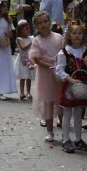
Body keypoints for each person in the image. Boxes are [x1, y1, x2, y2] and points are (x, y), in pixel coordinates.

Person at [55, 20, 87, 154]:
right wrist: (71, 80)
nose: (77, 36)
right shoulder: (64, 52)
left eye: (80, 33)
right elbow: (59, 70)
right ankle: (66, 139)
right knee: (67, 112)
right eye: (74, 33)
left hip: (82, 86)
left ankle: (78, 139)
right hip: (70, 86)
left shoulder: (86, 51)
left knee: (78, 113)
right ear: (69, 36)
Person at [28, 11, 64, 142]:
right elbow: (36, 58)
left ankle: (64, 127)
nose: (43, 25)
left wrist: (60, 65)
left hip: (59, 72)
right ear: (36, 26)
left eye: (45, 21)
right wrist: (49, 66)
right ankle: (50, 131)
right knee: (48, 102)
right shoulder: (37, 41)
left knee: (61, 101)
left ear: (50, 22)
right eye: (40, 23)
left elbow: (64, 52)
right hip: (45, 74)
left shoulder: (59, 37)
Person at [15, 19, 35, 101]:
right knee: (23, 77)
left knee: (29, 77)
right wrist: (31, 43)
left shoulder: (31, 38)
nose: (28, 29)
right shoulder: (19, 39)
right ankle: (22, 92)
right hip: (22, 59)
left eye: (28, 28)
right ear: (21, 31)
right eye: (26, 28)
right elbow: (23, 48)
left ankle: (29, 92)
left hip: (30, 59)